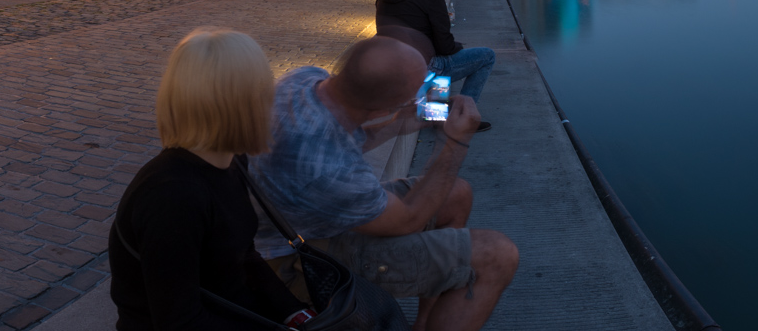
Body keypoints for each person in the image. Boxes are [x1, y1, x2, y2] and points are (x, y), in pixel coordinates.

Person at [251, 38, 518, 331]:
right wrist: (455, 141)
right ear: (381, 109)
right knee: (497, 255)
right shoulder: (328, 170)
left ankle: (425, 323)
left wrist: (410, 113)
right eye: (418, 90)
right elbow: (408, 220)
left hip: (303, 217)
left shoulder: (304, 78)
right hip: (299, 256)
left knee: (457, 193)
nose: (426, 93)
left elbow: (351, 131)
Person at [109, 28, 310, 330]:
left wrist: (295, 313)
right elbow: (179, 320)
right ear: (244, 105)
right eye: (266, 91)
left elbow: (242, 256)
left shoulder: (231, 160)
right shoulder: (173, 196)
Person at [378, 0, 496, 130]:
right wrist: (456, 46)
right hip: (419, 69)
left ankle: (436, 115)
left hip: (390, 66)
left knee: (437, 57)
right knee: (485, 56)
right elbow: (444, 45)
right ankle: (460, 117)